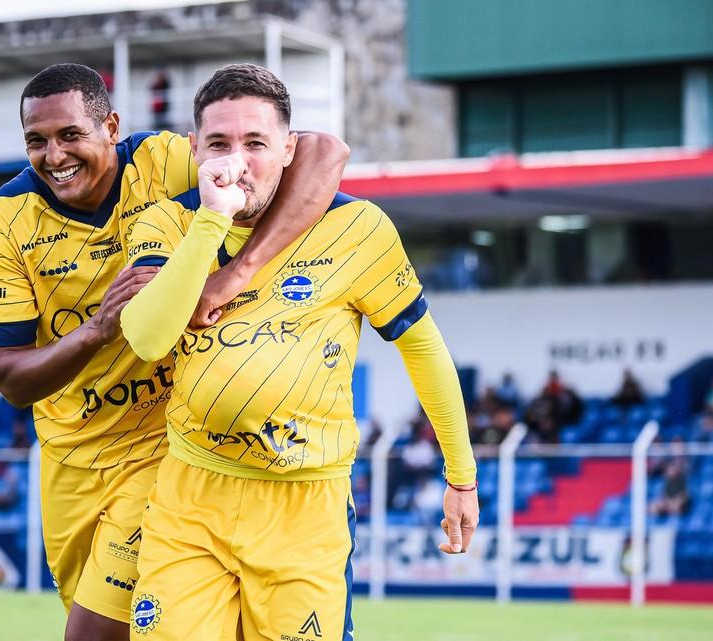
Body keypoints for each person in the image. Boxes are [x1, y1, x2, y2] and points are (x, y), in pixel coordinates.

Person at [0, 63, 347, 641]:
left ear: (113, 126)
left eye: (71, 135)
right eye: (36, 141)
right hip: (69, 460)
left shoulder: (167, 159)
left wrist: (238, 272)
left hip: (164, 449)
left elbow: (323, 152)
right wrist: (98, 330)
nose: (54, 155)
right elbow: (11, 379)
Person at [120, 63, 478, 641]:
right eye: (219, 143)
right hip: (191, 498)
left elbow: (425, 350)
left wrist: (461, 478)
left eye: (256, 143)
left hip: (304, 506)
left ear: (289, 149)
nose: (237, 161)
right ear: (193, 148)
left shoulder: (357, 227)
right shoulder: (169, 220)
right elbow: (147, 338)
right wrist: (212, 221)